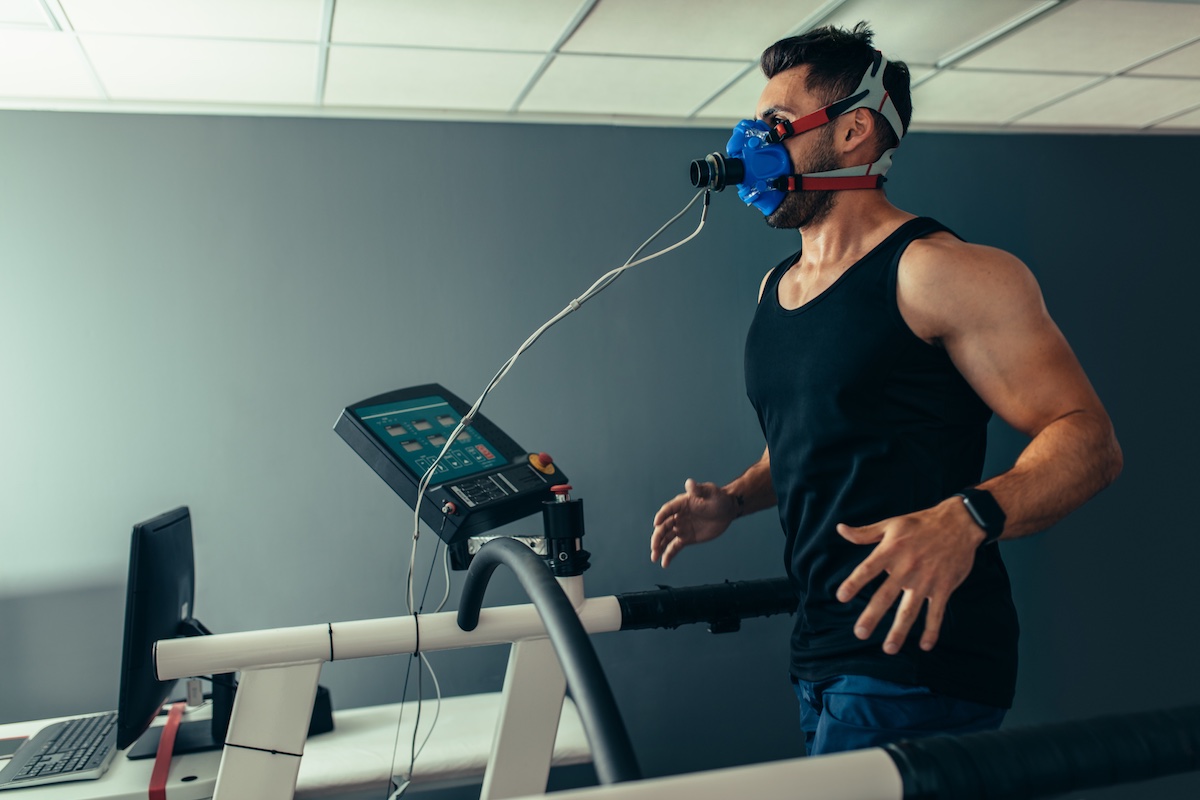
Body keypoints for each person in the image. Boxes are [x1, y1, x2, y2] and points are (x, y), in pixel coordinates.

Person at [649, 23, 1122, 757]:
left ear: (854, 132)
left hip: (916, 656)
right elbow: (824, 436)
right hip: (824, 649)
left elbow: (1088, 440)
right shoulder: (779, 285)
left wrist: (966, 518)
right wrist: (737, 499)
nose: (749, 147)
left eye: (774, 126)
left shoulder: (938, 272)